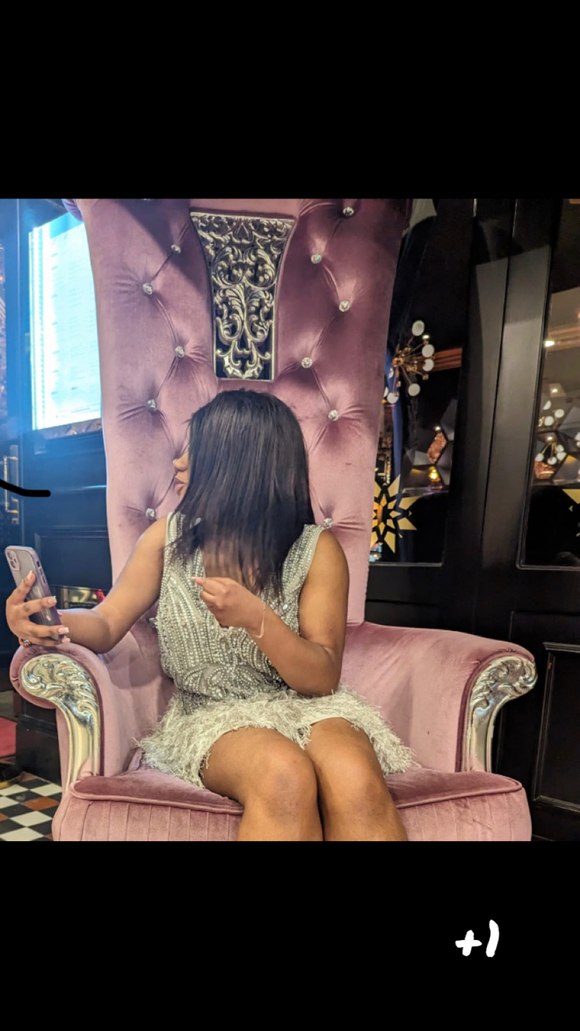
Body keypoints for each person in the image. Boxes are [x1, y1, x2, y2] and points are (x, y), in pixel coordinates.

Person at [6, 390, 417, 841]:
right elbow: (107, 623)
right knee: (282, 772)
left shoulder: (315, 550)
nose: (178, 463)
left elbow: (321, 680)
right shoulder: (168, 538)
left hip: (310, 706)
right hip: (211, 713)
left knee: (355, 775)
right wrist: (47, 617)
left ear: (236, 462)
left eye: (193, 450)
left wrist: (258, 619)